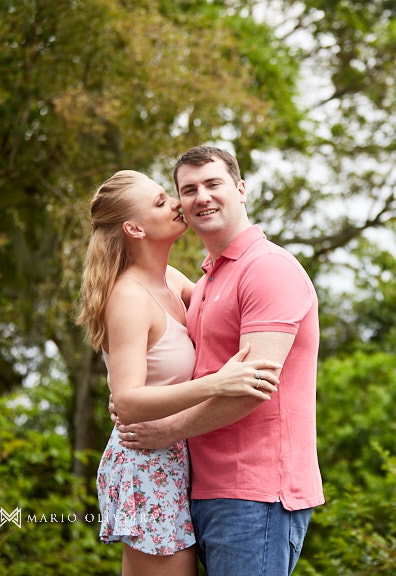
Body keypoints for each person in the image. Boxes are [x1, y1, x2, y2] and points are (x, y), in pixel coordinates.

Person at [116, 147, 324, 576]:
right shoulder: (210, 277)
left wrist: (165, 431)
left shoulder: (268, 269)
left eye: (213, 184)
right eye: (188, 190)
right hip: (202, 487)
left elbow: (253, 389)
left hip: (256, 493)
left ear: (241, 190)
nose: (202, 197)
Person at [77, 170, 283, 576]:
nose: (176, 203)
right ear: (134, 228)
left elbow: (222, 304)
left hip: (178, 456)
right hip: (148, 461)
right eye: (160, 202)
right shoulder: (129, 297)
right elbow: (129, 401)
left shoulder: (171, 280)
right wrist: (217, 383)